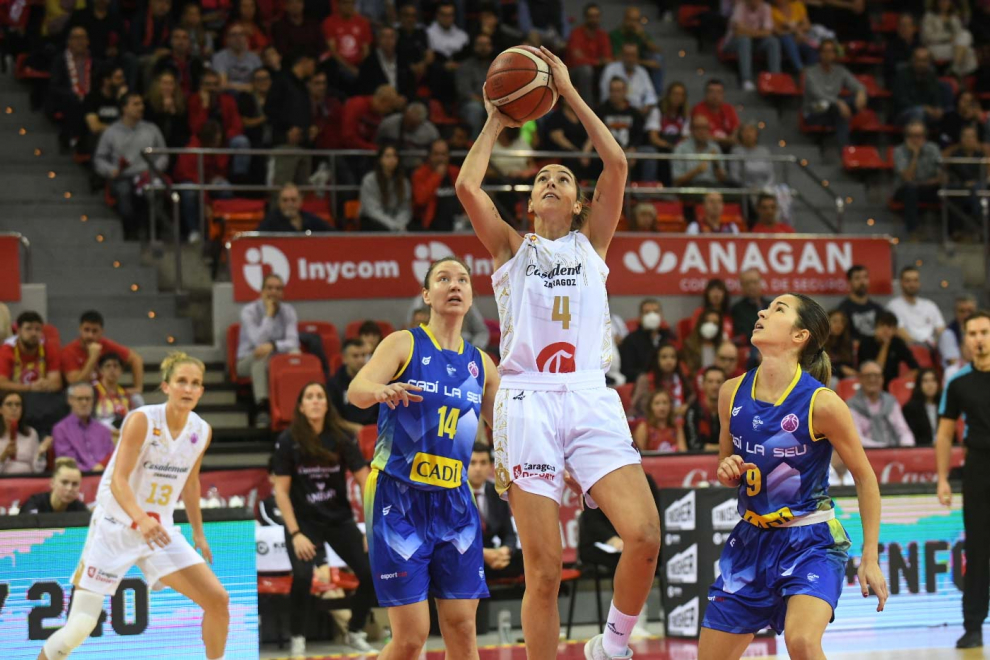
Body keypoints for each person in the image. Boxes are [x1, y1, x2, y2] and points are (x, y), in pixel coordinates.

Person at [455, 47, 660, 660]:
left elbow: (617, 162)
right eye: (542, 177)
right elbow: (468, 184)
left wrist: (566, 91)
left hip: (591, 396)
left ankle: (613, 645)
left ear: (576, 204)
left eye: (563, 178)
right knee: (543, 570)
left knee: (645, 535)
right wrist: (496, 118)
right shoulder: (510, 250)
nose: (551, 181)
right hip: (527, 403)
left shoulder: (593, 244)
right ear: (530, 202)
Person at [700, 294, 887, 660]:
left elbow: (866, 479)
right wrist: (727, 470)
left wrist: (870, 556)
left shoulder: (822, 403)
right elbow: (727, 468)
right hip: (750, 542)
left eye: (777, 309)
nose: (762, 312)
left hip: (810, 541)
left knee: (801, 642)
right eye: (767, 308)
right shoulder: (730, 392)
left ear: (800, 336)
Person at [347, 256, 499, 659]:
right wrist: (380, 391)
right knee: (412, 637)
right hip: (398, 498)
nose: (454, 285)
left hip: (454, 501)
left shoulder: (481, 364)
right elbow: (356, 390)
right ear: (426, 294)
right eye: (444, 278)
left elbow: (507, 428)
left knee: (464, 629)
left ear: (470, 295)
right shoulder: (404, 343)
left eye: (463, 279)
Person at [35, 352, 229, 660]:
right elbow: (117, 481)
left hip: (160, 532)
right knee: (79, 628)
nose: (188, 389)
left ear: (202, 391)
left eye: (196, 384)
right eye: (182, 381)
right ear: (166, 386)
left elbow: (191, 484)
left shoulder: (201, 431)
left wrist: (199, 533)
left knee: (218, 600)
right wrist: (140, 519)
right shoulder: (142, 420)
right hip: (115, 528)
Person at [272, 382, 375, 655]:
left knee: (370, 572)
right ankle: (297, 638)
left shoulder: (342, 437)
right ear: (301, 406)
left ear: (327, 404)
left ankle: (354, 631)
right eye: (309, 397)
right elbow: (280, 492)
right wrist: (295, 534)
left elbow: (366, 481)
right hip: (304, 523)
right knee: (304, 576)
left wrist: (373, 527)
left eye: (320, 396)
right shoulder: (288, 440)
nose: (315, 401)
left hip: (338, 519)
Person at [936, 311, 990, 649]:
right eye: (972, 333)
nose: (979, 339)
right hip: (979, 468)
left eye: (985, 332)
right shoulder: (957, 382)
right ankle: (972, 627)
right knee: (979, 549)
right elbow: (944, 435)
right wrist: (942, 479)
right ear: (965, 339)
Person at [92, 93, 168, 240]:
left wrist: (154, 169)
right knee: (124, 191)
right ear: (124, 108)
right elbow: (99, 159)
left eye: (142, 103)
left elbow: (163, 154)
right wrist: (109, 170)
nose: (141, 107)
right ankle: (130, 232)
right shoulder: (111, 132)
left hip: (147, 175)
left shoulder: (151, 129)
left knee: (155, 191)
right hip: (122, 176)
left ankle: (154, 233)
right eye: (136, 104)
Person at [236, 273, 300, 426]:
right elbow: (258, 342)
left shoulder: (288, 311)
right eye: (270, 288)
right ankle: (262, 408)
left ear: (282, 293)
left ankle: (294, 405)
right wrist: (269, 314)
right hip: (247, 361)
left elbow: (293, 341)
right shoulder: (249, 311)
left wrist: (274, 345)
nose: (274, 292)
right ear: (262, 291)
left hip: (276, 358)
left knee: (296, 354)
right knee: (261, 358)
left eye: (278, 289)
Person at [468, 442, 523, 579]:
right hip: (465, 557)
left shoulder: (497, 493)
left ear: (490, 467)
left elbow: (509, 534)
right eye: (473, 463)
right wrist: (483, 554)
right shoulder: (454, 494)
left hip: (493, 555)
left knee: (527, 560)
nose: (478, 468)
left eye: (483, 463)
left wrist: (505, 551)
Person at [801, 39, 866, 149]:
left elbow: (857, 85)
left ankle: (846, 149)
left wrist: (861, 92)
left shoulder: (840, 71)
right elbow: (818, 95)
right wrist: (838, 102)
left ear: (835, 54)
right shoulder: (810, 72)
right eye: (825, 51)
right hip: (815, 108)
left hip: (834, 109)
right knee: (838, 108)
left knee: (849, 103)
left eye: (831, 51)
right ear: (820, 54)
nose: (828, 55)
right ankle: (846, 150)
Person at [62, 310, 144, 391]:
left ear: (102, 332)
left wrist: (138, 388)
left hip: (106, 393)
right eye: (86, 330)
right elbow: (76, 385)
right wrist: (92, 358)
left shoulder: (106, 345)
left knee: (136, 398)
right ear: (80, 329)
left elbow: (136, 359)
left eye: (95, 331)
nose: (90, 335)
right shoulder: (69, 351)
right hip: (82, 397)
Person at [847, 361, 916, 447]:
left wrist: (906, 448)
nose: (872, 380)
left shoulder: (891, 402)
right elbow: (856, 439)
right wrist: (883, 449)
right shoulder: (851, 405)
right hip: (864, 455)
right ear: (860, 379)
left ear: (882, 379)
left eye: (876, 376)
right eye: (868, 376)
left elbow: (903, 431)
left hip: (893, 453)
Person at [53, 383, 115, 472]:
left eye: (88, 399)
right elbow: (67, 462)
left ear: (93, 401)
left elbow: (112, 457)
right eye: (80, 399)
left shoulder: (104, 430)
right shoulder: (61, 429)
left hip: (104, 477)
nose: (84, 403)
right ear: (70, 400)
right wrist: (93, 470)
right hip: (78, 478)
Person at [723, 0, 782, 92]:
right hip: (733, 43)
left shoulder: (766, 7)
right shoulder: (740, 6)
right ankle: (746, 80)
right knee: (744, 40)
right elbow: (738, 32)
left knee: (773, 41)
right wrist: (760, 32)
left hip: (755, 42)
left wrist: (747, 31)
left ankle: (775, 78)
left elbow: (768, 32)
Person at [856, 311, 919, 388]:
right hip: (869, 384)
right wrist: (885, 345)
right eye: (882, 325)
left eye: (889, 327)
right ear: (875, 328)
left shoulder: (897, 343)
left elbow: (916, 369)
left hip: (891, 386)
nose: (885, 330)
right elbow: (876, 371)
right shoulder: (866, 343)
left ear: (895, 330)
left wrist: (900, 382)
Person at [887, 266, 946, 346]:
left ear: (919, 282)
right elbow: (901, 333)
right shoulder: (893, 306)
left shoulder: (930, 305)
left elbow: (942, 331)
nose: (912, 284)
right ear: (901, 283)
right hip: (909, 348)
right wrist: (919, 346)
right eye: (908, 281)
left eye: (915, 280)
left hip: (932, 347)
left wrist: (937, 344)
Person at [359, 143, 413, 231]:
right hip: (373, 220)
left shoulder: (404, 182)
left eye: (394, 156)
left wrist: (400, 224)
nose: (391, 159)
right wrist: (393, 225)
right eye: (387, 156)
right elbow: (372, 210)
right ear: (380, 159)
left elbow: (405, 209)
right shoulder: (369, 180)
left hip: (397, 221)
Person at [566, 2, 613, 103]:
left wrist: (598, 62)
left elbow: (608, 58)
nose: (594, 19)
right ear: (585, 18)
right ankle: (588, 109)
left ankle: (606, 107)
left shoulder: (602, 35)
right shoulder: (576, 33)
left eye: (596, 16)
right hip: (573, 73)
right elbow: (578, 60)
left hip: (595, 71)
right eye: (591, 16)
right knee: (586, 70)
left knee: (609, 69)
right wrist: (597, 62)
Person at [411, 139, 462, 231]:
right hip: (431, 226)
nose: (440, 158)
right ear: (429, 156)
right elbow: (421, 200)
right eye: (436, 154)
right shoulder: (420, 174)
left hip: (458, 225)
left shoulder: (456, 172)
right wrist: (437, 176)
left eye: (443, 154)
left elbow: (467, 199)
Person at [619, 299, 674, 382]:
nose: (652, 316)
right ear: (640, 317)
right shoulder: (631, 341)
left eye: (655, 312)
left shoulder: (668, 338)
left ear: (661, 316)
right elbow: (627, 371)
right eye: (647, 312)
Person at [327, 338, 376, 434]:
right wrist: (354, 428)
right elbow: (333, 418)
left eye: (363, 355)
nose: (361, 360)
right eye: (355, 356)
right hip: (345, 432)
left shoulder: (376, 380)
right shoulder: (334, 384)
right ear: (345, 359)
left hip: (374, 431)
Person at [630, 343, 688, 420]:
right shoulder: (645, 379)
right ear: (656, 359)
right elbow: (638, 406)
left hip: (675, 422)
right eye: (664, 357)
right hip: (648, 421)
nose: (669, 361)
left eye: (673, 357)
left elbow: (691, 398)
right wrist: (670, 411)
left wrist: (687, 407)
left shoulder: (680, 378)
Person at [376, 103, 441, 171]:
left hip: (419, 167)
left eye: (412, 124)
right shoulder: (388, 125)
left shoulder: (431, 132)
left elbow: (437, 151)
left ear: (421, 122)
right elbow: (377, 143)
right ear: (404, 114)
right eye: (406, 121)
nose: (407, 125)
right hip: (391, 165)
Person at [921, 0, 977, 77]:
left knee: (966, 38)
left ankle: (955, 71)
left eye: (947, 1)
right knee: (967, 52)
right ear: (937, 2)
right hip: (935, 47)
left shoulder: (953, 17)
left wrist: (954, 39)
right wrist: (947, 37)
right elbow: (927, 36)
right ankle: (955, 72)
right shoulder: (929, 16)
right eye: (942, 1)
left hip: (953, 47)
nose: (945, 3)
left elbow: (959, 34)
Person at [93, 352, 144, 436]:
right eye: (108, 366)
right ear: (101, 370)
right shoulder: (93, 392)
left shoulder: (127, 395)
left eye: (116, 366)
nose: (112, 370)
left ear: (121, 371)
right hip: (99, 435)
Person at [891, 47, 945, 127]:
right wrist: (923, 107)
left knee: (947, 114)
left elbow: (936, 96)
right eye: (918, 60)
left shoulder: (931, 76)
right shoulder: (902, 75)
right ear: (913, 60)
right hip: (903, 113)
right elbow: (901, 101)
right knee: (918, 112)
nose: (921, 64)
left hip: (927, 113)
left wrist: (938, 108)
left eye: (924, 61)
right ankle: (918, 138)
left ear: (929, 62)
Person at [673, 115, 731, 187]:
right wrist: (697, 171)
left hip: (713, 186)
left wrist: (716, 163)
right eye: (698, 128)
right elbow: (677, 181)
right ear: (691, 130)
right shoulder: (681, 149)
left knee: (736, 195)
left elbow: (723, 179)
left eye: (705, 128)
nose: (702, 132)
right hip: (690, 187)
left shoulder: (715, 148)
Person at [599, 43, 659, 112]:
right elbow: (605, 94)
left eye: (633, 55)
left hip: (638, 111)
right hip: (615, 109)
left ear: (637, 56)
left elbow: (650, 94)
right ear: (621, 55)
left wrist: (646, 107)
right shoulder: (610, 69)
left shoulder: (642, 72)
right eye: (627, 55)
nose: (630, 59)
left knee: (655, 111)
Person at [0, 392, 50, 475]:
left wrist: (41, 453)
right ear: (1, 409)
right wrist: (4, 456)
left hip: (28, 480)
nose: (14, 408)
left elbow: (38, 470)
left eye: (18, 404)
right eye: (9, 404)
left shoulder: (31, 433)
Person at [19, 457, 88, 514]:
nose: (69, 488)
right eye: (64, 482)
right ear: (52, 483)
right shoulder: (34, 504)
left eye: (75, 484)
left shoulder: (80, 510)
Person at [257, 183, 334, 233]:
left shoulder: (310, 219)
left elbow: (334, 234)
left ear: (300, 201)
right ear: (279, 202)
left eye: (293, 200)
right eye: (285, 200)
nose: (289, 204)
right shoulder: (270, 222)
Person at [836, 265, 886, 342]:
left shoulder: (877, 308)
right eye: (857, 278)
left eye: (865, 277)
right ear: (849, 282)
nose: (862, 282)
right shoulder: (843, 310)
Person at [691, 79, 740, 151]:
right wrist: (726, 140)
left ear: (723, 94)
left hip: (728, 148)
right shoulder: (698, 109)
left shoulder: (729, 109)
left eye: (719, 92)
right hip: (706, 147)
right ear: (706, 94)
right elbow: (702, 136)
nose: (715, 95)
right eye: (711, 92)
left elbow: (736, 133)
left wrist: (723, 140)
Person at [685, 366, 724, 452]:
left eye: (719, 382)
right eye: (710, 382)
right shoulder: (693, 411)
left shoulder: (733, 411)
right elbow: (693, 445)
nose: (715, 386)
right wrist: (722, 448)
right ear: (702, 384)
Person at [729, 123, 776, 193]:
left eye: (751, 131)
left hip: (766, 188)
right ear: (740, 135)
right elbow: (734, 176)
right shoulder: (736, 151)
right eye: (745, 131)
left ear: (756, 134)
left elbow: (771, 175)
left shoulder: (764, 151)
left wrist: (766, 187)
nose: (748, 134)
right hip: (745, 189)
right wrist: (749, 187)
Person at [901, 368, 941, 446]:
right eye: (925, 381)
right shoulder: (910, 409)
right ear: (919, 385)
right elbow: (910, 437)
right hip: (921, 450)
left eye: (933, 380)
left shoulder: (944, 407)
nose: (930, 385)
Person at [731, 269, 772, 343]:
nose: (751, 286)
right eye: (747, 283)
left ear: (760, 283)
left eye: (754, 282)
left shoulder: (772, 305)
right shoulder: (737, 309)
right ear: (742, 286)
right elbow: (744, 334)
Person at [939, 294, 978, 369]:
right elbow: (954, 362)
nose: (966, 315)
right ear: (955, 312)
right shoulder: (948, 334)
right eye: (962, 311)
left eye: (970, 311)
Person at [825, 309, 857, 381]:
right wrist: (840, 369)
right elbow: (820, 367)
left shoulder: (847, 342)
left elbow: (850, 366)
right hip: (827, 377)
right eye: (835, 321)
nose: (839, 325)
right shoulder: (820, 343)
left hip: (844, 378)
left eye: (842, 322)